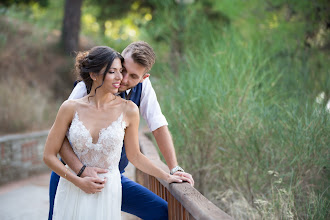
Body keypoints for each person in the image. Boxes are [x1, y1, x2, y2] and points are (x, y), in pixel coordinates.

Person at [48, 41, 194, 220]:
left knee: (162, 212)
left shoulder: (134, 101)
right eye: (121, 69)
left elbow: (157, 126)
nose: (123, 79)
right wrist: (81, 172)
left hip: (111, 179)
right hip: (71, 173)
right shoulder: (83, 89)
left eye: (133, 76)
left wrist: (173, 169)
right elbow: (58, 136)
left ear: (143, 78)